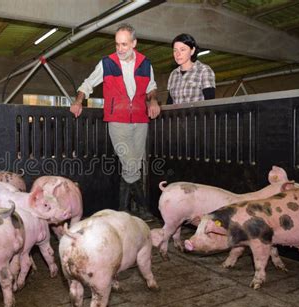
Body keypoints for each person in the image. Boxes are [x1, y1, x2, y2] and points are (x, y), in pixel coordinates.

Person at [70, 23, 160, 221]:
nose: (120, 49)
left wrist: (153, 100)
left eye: (124, 45)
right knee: (129, 163)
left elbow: (151, 87)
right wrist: (78, 101)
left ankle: (122, 209)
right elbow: (88, 83)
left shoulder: (146, 63)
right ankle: (144, 208)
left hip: (140, 120)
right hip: (117, 121)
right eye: (117, 44)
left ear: (134, 43)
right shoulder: (107, 63)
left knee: (133, 165)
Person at [167, 33, 215, 105]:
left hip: (196, 116)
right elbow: (169, 102)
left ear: (192, 51)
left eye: (182, 50)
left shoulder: (204, 70)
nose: (178, 54)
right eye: (175, 50)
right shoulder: (173, 74)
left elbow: (210, 102)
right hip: (177, 116)